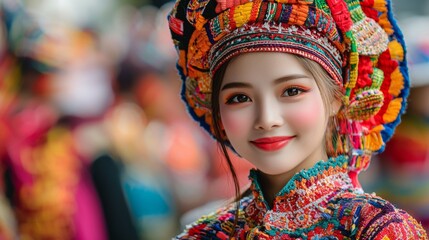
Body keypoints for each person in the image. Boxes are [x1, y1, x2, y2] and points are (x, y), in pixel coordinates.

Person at [168, 0, 428, 239]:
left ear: (338, 97)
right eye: (239, 98)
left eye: (292, 91)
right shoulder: (204, 234)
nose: (267, 119)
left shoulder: (381, 231)